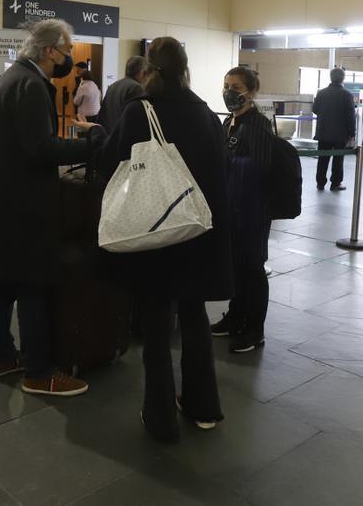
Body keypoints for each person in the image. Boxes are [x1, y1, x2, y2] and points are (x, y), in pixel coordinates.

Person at [99, 37, 231, 442]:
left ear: (148, 69)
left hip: (154, 233)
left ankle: (159, 418)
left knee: (155, 327)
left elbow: (110, 162)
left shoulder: (139, 112)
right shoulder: (205, 112)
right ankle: (203, 407)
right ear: (185, 68)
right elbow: (218, 171)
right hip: (196, 232)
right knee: (194, 321)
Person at [0, 18, 100, 396]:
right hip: (23, 204)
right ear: (48, 51)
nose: (68, 60)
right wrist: (91, 143)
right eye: (66, 52)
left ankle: (1, 357)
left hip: (2, 199)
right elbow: (40, 149)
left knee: (3, 283)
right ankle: (40, 372)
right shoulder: (29, 84)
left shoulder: (9, 80)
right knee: (31, 286)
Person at [210, 66, 274, 354]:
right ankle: (235, 316)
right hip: (230, 206)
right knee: (235, 265)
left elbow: (261, 167)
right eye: (227, 86)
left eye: (236, 87)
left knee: (252, 268)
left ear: (251, 91)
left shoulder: (257, 124)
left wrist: (226, 160)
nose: (229, 92)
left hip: (252, 210)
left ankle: (254, 328)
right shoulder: (229, 122)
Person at [312, 68, 356, 191]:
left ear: (331, 77)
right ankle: (335, 183)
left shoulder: (321, 93)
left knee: (322, 158)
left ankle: (320, 182)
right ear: (343, 78)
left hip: (323, 132)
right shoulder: (347, 94)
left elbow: (315, 109)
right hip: (340, 134)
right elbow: (350, 116)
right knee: (338, 159)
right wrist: (352, 133)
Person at [98, 55, 148, 132]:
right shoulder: (136, 88)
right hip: (125, 137)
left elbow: (102, 116)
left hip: (110, 136)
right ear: (142, 71)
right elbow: (137, 118)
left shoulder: (113, 86)